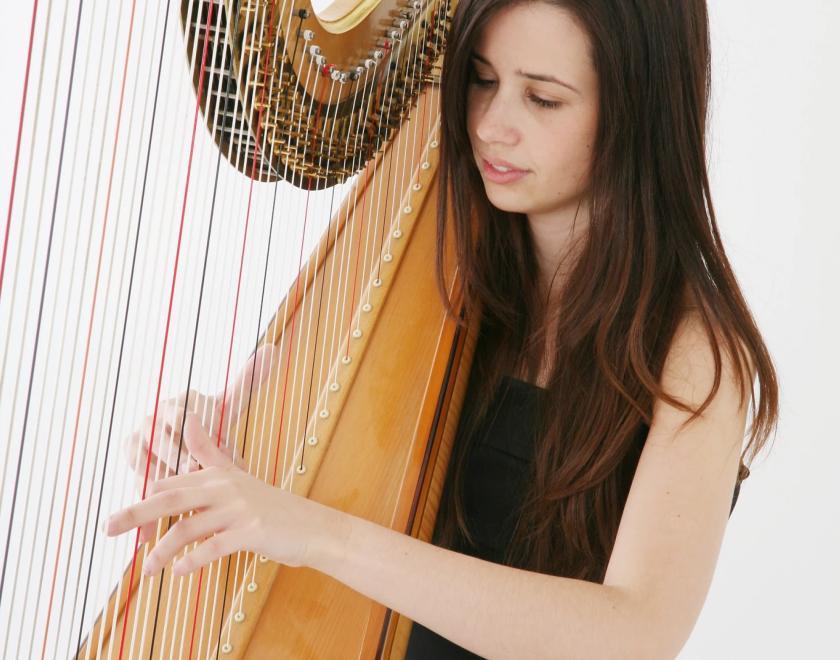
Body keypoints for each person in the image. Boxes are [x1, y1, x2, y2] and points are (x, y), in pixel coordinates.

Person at [106, 1, 780, 657]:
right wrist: (225, 439)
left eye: (542, 99)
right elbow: (308, 490)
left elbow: (634, 634)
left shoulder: (695, 352)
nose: (489, 125)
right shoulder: (441, 261)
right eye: (482, 79)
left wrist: (317, 532)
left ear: (640, 112)